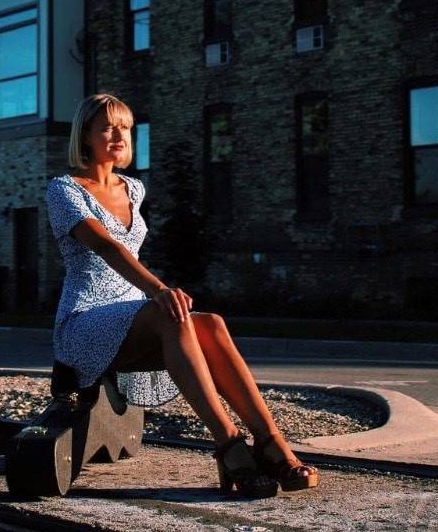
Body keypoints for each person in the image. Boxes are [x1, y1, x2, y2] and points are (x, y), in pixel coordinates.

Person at [45, 93, 318, 498]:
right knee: (168, 314)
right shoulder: (64, 189)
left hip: (134, 311)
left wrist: (153, 297)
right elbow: (107, 247)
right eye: (107, 126)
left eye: (125, 127)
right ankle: (228, 444)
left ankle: (269, 440)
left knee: (211, 324)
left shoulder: (133, 189)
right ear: (85, 135)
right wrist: (159, 290)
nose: (119, 135)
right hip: (85, 319)